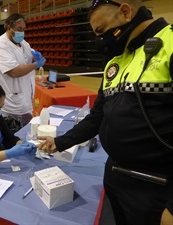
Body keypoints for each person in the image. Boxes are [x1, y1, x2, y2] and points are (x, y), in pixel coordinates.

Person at [38, 1, 173, 225]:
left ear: (126, 12)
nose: (100, 40)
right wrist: (61, 141)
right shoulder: (117, 60)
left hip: (155, 185)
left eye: (101, 31)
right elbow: (98, 115)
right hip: (116, 177)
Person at [0, 13, 46, 133]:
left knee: (26, 132)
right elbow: (14, 72)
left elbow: (29, 53)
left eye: (24, 29)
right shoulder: (0, 47)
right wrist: (36, 65)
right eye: (19, 29)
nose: (22, 32)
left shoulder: (23, 43)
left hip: (25, 98)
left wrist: (35, 56)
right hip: (10, 102)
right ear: (9, 27)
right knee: (13, 136)